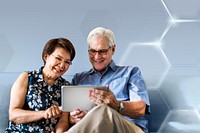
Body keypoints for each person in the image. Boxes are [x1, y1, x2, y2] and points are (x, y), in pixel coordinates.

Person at [67, 27, 150, 133]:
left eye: (102, 51)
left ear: (113, 49)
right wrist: (73, 119)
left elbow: (141, 109)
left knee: (103, 110)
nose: (97, 56)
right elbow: (68, 116)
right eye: (92, 51)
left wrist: (117, 105)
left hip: (129, 128)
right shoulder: (78, 79)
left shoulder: (130, 72)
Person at [5, 38, 76, 132]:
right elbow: (13, 115)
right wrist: (44, 114)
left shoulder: (67, 87)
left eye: (67, 62)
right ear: (46, 57)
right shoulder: (26, 78)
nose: (62, 65)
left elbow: (63, 121)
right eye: (58, 58)